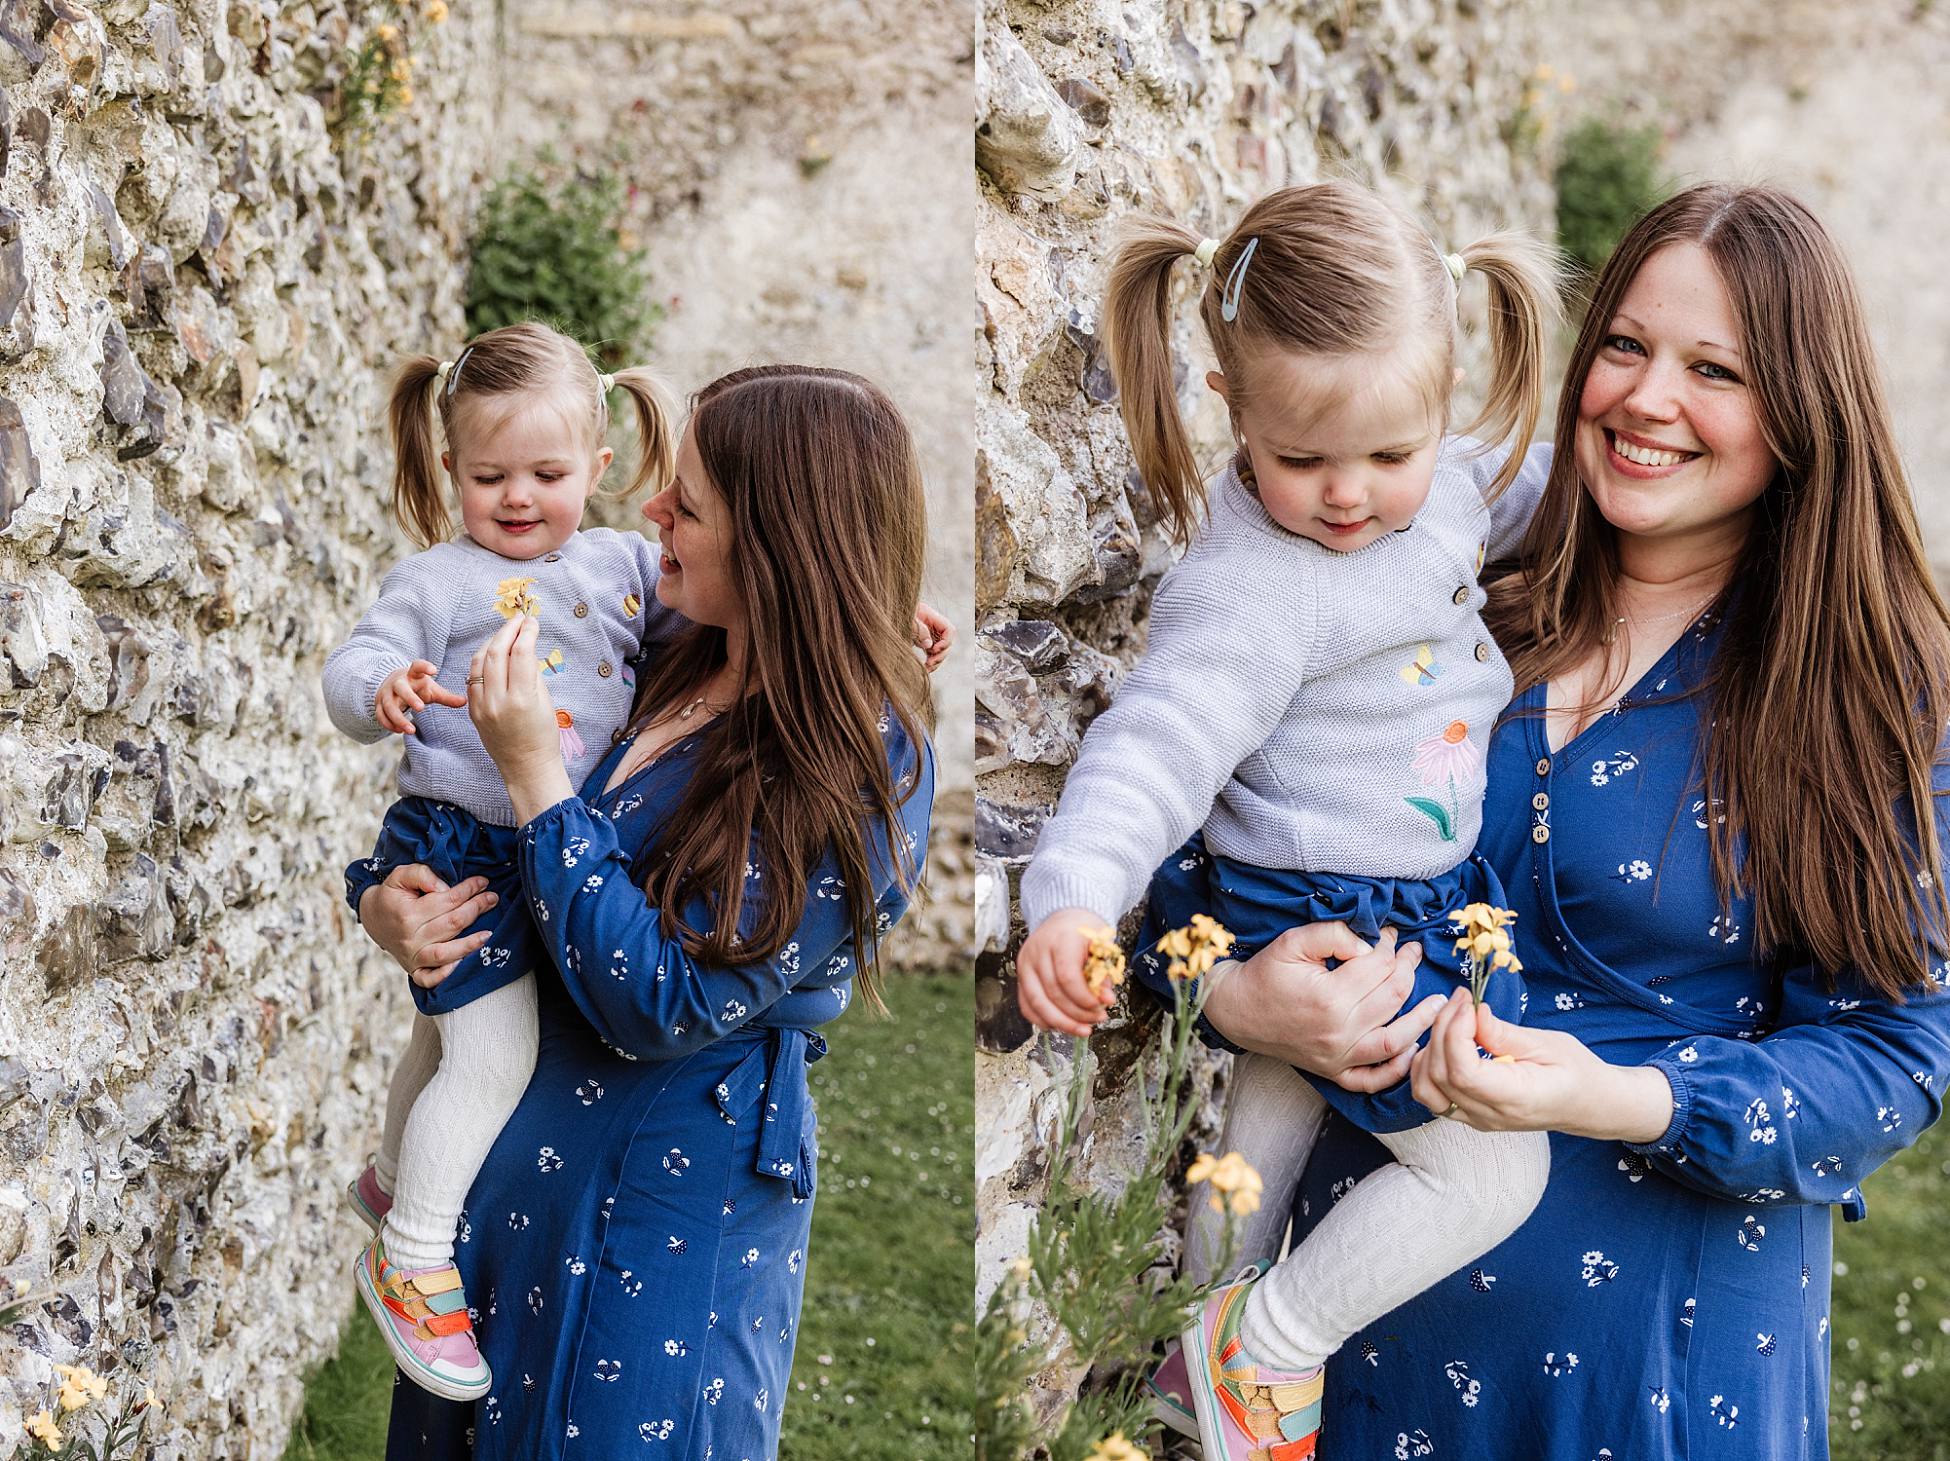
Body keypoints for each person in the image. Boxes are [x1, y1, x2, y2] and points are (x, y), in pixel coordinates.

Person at [1167, 182, 1950, 1459]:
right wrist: (1231, 999)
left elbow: (1890, 1058)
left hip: (1650, 1370)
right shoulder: (1450, 584)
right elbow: (1214, 850)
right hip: (1334, 1356)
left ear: (1804, 411)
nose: (1648, 398)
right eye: (1626, 346)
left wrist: (1626, 1096)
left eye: (1715, 370)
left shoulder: (1871, 690)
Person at [1011, 178, 1561, 1458]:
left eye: (1390, 456)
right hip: (1338, 915)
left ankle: (1182, 1373)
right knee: (1498, 1166)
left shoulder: (1449, 487)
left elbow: (1523, 484)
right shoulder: (1254, 588)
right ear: (1232, 410)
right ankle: (1261, 1351)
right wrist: (1076, 895)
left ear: (1443, 405)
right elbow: (1152, 745)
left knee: (1253, 1154)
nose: (1350, 495)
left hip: (1365, 902)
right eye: (1302, 460)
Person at [349, 363, 939, 1459]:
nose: (652, 509)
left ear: (778, 546)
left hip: (655, 1225)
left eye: (690, 504)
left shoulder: (861, 757)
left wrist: (536, 776)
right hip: (501, 1211)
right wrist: (390, 905)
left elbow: (666, 1001)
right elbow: (504, 860)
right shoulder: (670, 659)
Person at [322, 320, 684, 1399]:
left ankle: (395, 1179)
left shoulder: (625, 564)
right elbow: (353, 665)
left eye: (548, 474)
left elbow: (723, 623)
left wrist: (871, 615)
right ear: (451, 469)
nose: (519, 497)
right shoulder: (439, 580)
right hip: (458, 845)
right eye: (490, 477)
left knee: (443, 1041)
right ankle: (414, 1258)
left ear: (599, 467)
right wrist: (380, 689)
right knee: (489, 1059)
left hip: (547, 842)